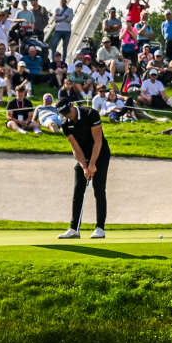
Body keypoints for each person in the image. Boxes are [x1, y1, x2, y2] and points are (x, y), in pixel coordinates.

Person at [56, 79, 109, 240]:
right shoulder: (65, 125)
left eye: (68, 112)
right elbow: (75, 148)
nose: (67, 116)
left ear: (72, 106)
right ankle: (74, 229)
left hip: (100, 153)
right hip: (83, 157)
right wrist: (84, 166)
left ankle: (100, 227)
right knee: (78, 190)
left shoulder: (90, 114)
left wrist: (92, 164)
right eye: (64, 115)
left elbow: (98, 141)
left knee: (99, 190)